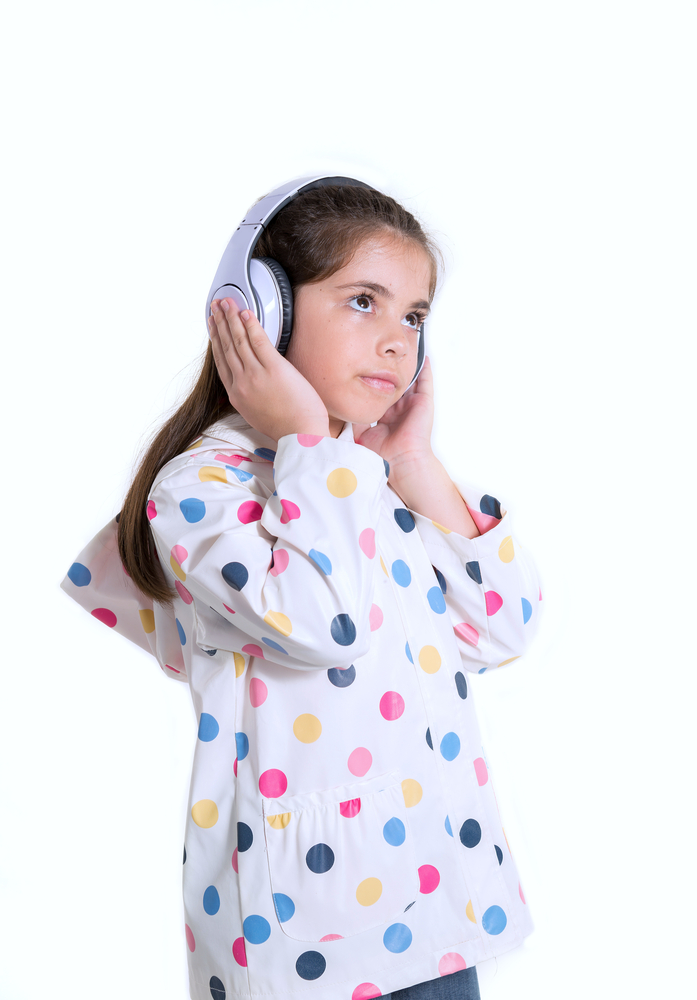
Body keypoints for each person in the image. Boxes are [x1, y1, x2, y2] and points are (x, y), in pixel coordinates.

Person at [61, 181, 542, 1000]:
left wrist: (414, 466)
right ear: (260, 311)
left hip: (433, 901)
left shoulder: (363, 480)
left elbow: (501, 630)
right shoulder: (204, 490)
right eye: (363, 301)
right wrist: (307, 444)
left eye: (414, 317)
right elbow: (324, 624)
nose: (397, 343)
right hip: (306, 926)